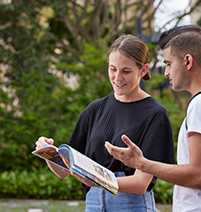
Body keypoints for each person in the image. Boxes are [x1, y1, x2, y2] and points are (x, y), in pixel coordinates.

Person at [105, 25, 201, 212]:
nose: (166, 72)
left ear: (187, 61)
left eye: (168, 63)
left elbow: (198, 176)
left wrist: (141, 163)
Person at [35, 34, 175, 212]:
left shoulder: (155, 114)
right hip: (93, 205)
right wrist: (47, 152)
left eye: (126, 71)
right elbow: (64, 170)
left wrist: (98, 181)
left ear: (144, 70)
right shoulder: (94, 110)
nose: (117, 77)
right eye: (112, 69)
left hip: (132, 206)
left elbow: (141, 183)